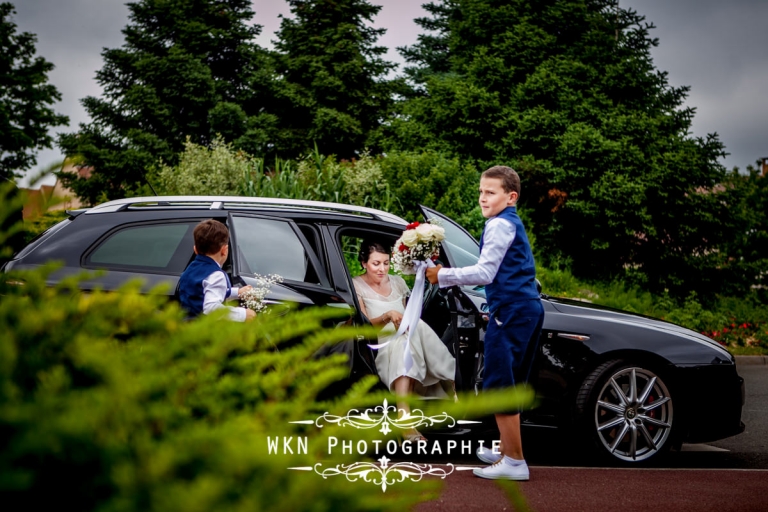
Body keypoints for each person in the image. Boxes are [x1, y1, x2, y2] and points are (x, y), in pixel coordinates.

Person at [426, 166, 544, 481]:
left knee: (498, 383)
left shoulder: (499, 225)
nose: (482, 198)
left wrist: (442, 276)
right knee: (510, 381)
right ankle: (508, 450)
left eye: (490, 192)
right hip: (523, 308)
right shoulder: (510, 223)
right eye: (481, 191)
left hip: (514, 310)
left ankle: (515, 462)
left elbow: (485, 272)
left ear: (511, 196)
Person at [353, 240, 456, 442]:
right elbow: (364, 327)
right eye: (376, 264)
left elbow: (411, 314)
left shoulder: (398, 282)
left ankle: (405, 418)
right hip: (380, 343)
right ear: (364, 263)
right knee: (403, 343)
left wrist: (406, 321)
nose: (382, 269)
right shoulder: (356, 285)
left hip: (409, 337)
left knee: (415, 328)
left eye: (385, 263)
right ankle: (451, 385)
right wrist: (387, 315)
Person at [178, 219, 255, 321]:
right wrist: (243, 314)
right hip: (205, 331)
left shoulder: (191, 268)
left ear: (195, 249)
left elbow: (206, 291)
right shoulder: (216, 275)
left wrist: (238, 292)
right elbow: (211, 309)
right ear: (224, 250)